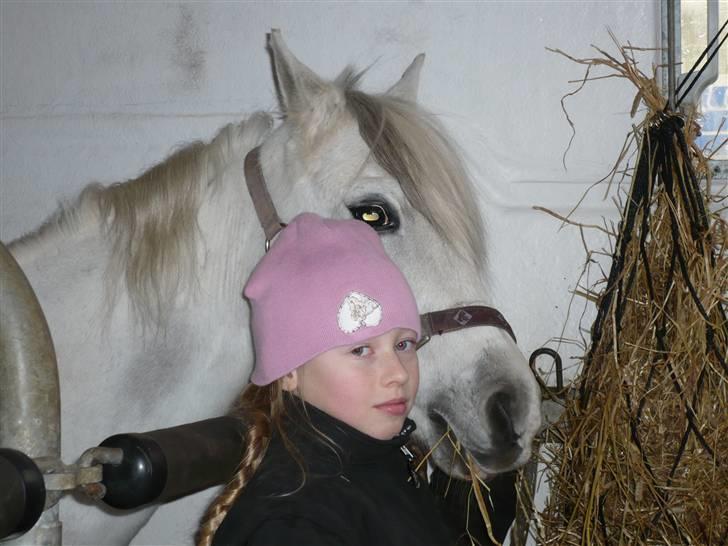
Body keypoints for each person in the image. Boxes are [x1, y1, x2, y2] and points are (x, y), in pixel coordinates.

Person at [196, 212, 458, 546]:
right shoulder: (293, 524)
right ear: (289, 372)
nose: (398, 373)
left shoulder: (380, 458)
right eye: (361, 351)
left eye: (404, 344)